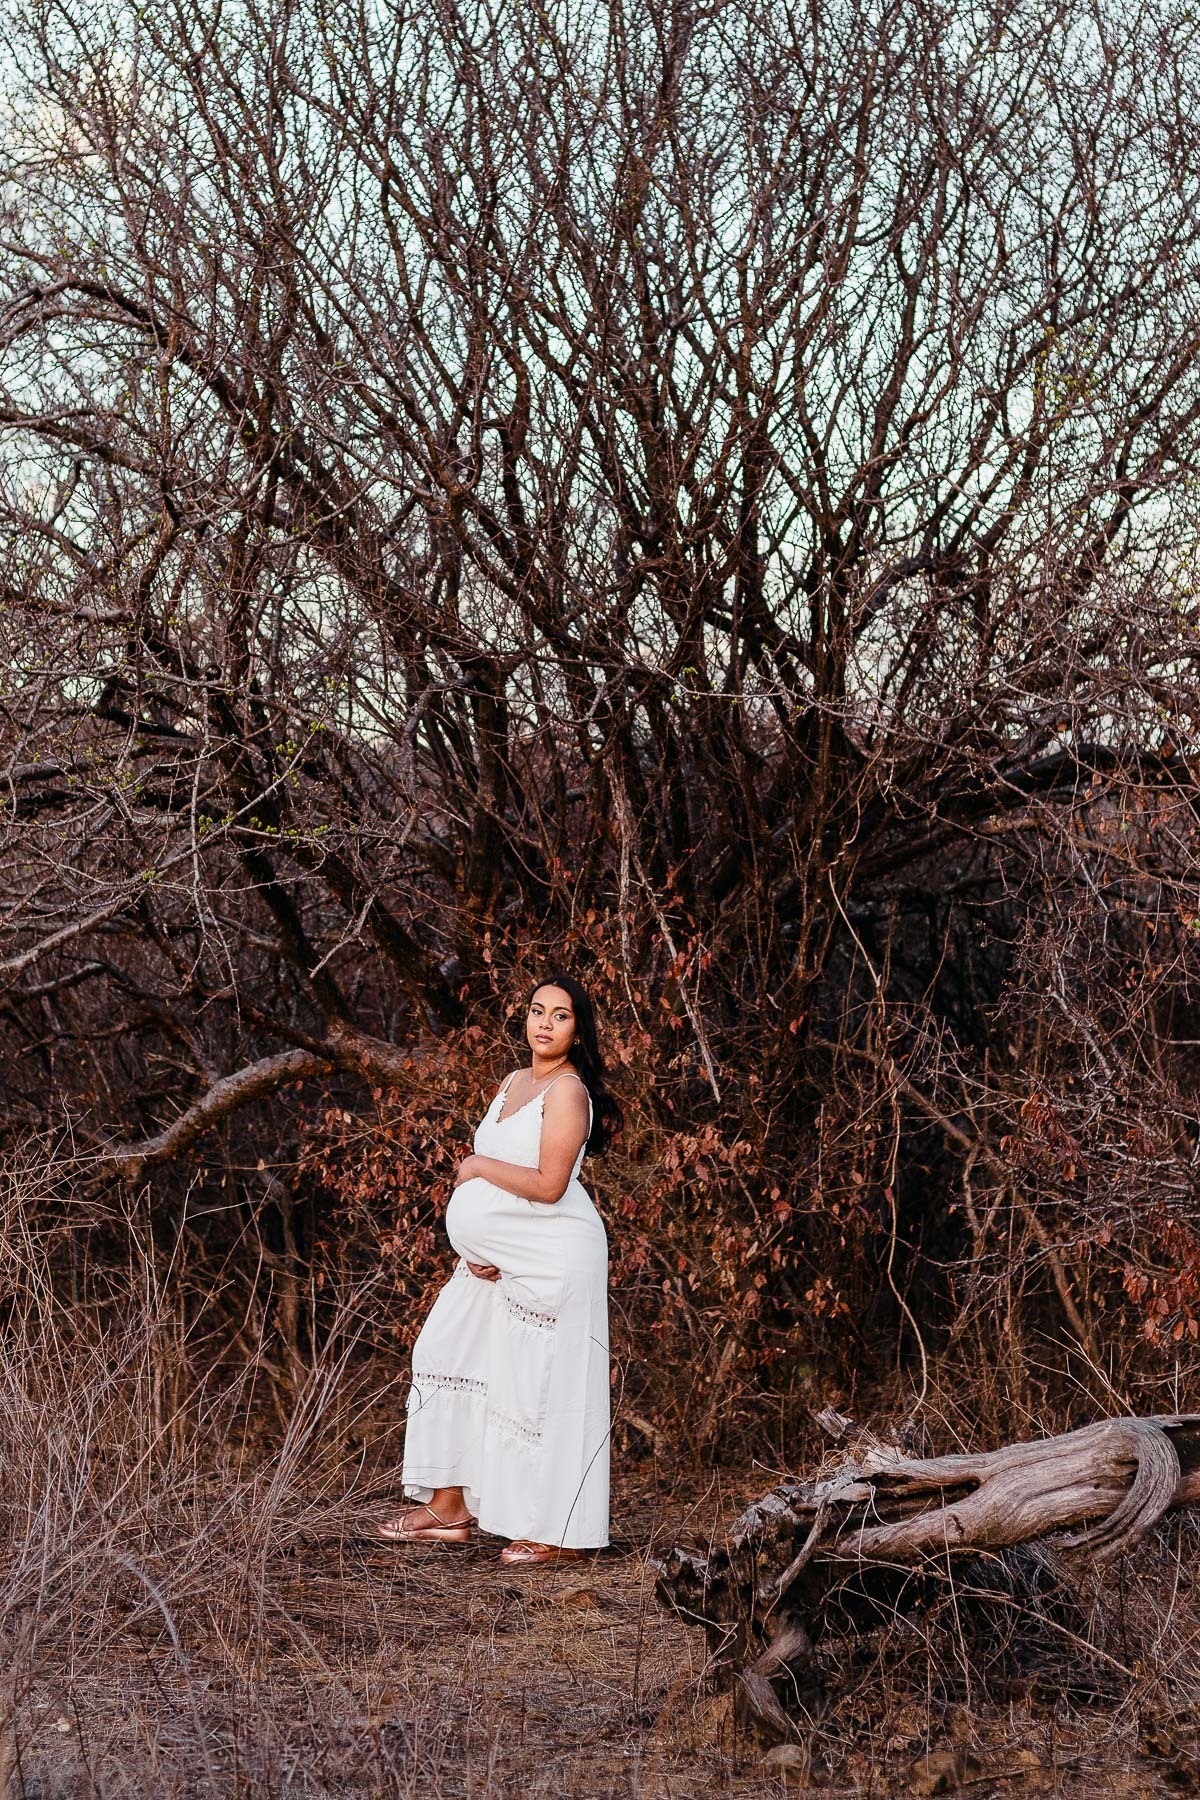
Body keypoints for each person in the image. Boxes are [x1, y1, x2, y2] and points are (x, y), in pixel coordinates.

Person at [374, 973, 620, 1564]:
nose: (544, 1023)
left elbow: (549, 1183)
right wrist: (487, 1246)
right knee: (446, 1353)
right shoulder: (513, 1081)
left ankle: (559, 1532)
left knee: (541, 1388)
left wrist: (477, 1167)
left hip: (553, 1254)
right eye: (537, 1011)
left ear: (577, 1030)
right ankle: (449, 1506)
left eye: (560, 1015)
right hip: (502, 1259)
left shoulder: (568, 1092)